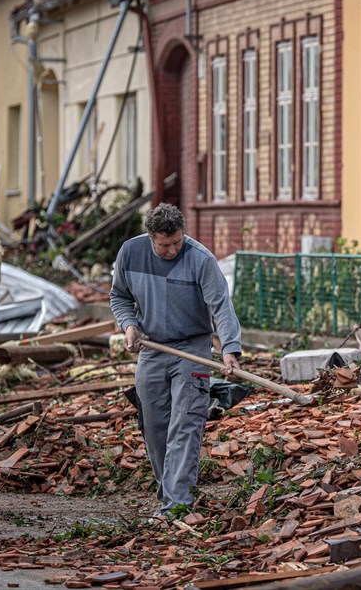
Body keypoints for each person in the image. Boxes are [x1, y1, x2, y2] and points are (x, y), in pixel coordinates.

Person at [110, 202, 242, 516]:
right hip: (152, 348)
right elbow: (120, 296)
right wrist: (129, 326)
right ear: (151, 237)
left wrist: (229, 349)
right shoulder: (130, 253)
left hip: (192, 351)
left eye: (177, 242)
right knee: (155, 427)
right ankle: (167, 490)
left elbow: (221, 306)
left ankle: (178, 503)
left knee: (186, 423)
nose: (172, 250)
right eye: (165, 245)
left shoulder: (200, 259)